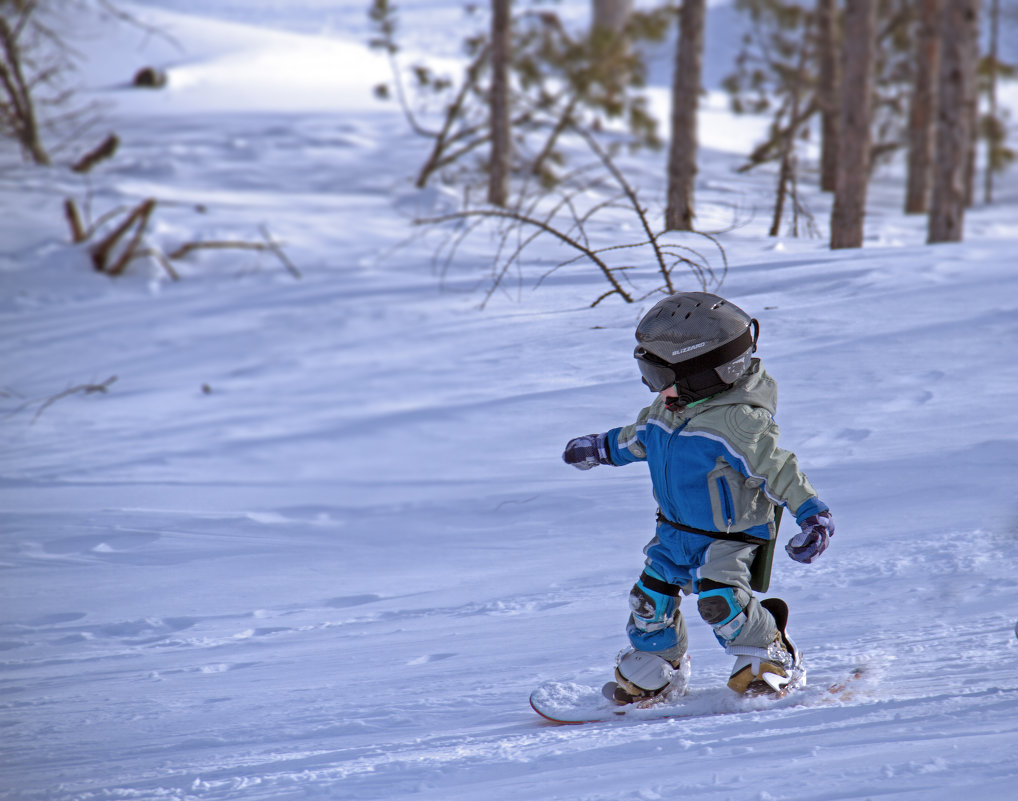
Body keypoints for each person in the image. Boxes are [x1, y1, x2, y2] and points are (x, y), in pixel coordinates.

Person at [562, 292, 834, 703]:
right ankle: (659, 664)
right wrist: (599, 448)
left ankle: (770, 654)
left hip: (728, 536)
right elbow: (637, 440)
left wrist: (813, 515)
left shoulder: (738, 423)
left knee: (719, 602)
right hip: (673, 533)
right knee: (648, 600)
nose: (652, 389)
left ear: (704, 376)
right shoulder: (667, 409)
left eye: (658, 378)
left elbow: (778, 469)